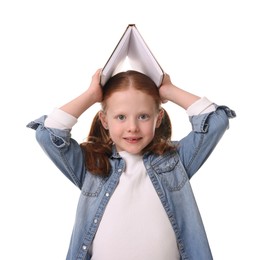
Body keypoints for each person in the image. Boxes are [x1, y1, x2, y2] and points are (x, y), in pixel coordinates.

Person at [27, 69, 236, 260]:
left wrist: (169, 90)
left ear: (158, 117)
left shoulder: (175, 160)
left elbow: (216, 121)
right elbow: (48, 134)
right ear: (104, 120)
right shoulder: (93, 165)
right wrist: (91, 95)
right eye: (121, 117)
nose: (133, 127)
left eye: (143, 116)